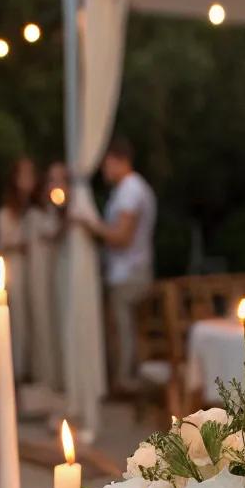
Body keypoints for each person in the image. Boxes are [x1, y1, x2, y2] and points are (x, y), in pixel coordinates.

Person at [78, 136, 156, 389]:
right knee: (122, 326)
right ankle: (126, 379)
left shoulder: (130, 190)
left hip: (129, 272)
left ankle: (126, 380)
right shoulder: (128, 189)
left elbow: (122, 237)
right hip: (127, 270)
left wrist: (91, 226)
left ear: (118, 160)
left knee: (122, 328)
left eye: (106, 163)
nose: (103, 169)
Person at [0, 158, 37, 380]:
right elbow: (3, 244)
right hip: (16, 270)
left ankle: (33, 366)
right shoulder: (5, 214)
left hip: (36, 272)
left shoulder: (36, 210)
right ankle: (15, 370)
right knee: (16, 319)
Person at [24, 165, 66, 393]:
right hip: (39, 273)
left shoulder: (50, 211)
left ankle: (57, 375)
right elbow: (52, 232)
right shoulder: (34, 215)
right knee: (42, 322)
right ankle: (45, 375)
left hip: (53, 272)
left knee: (53, 323)